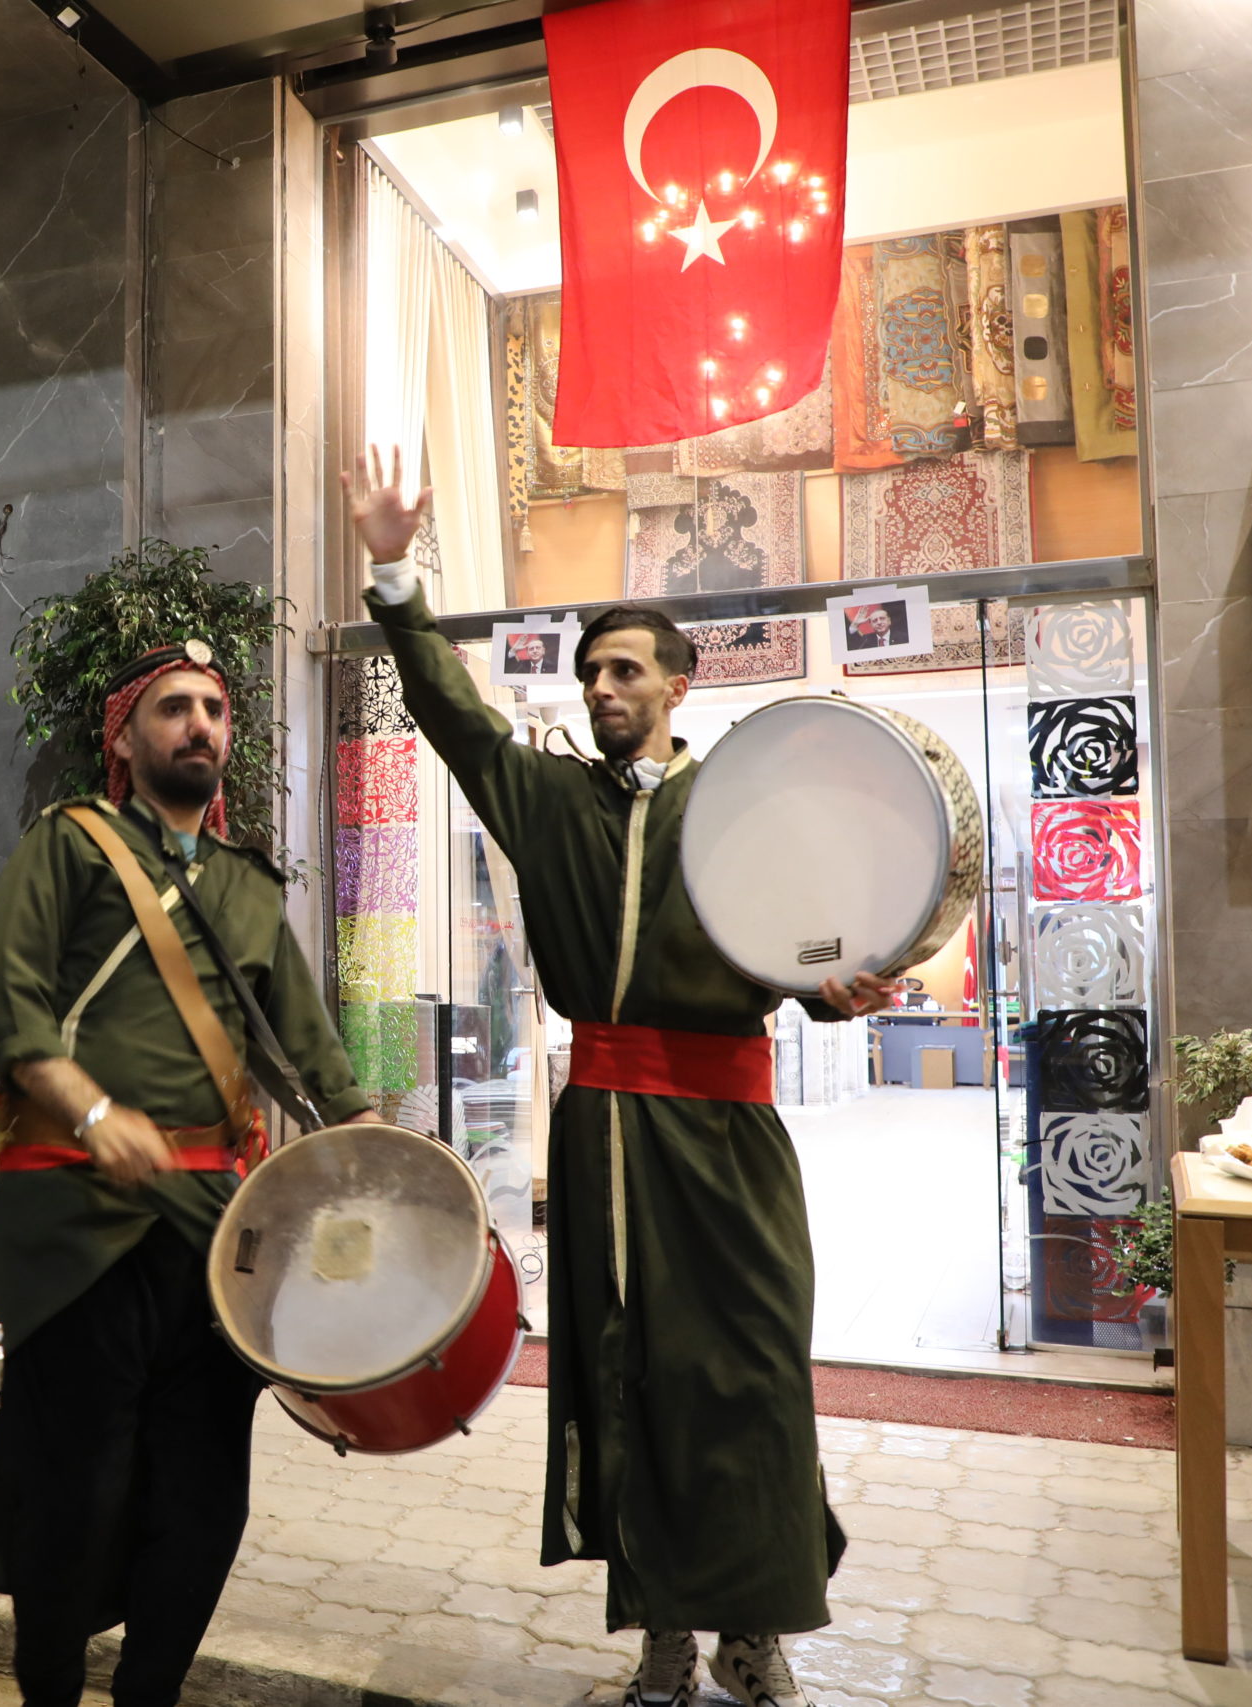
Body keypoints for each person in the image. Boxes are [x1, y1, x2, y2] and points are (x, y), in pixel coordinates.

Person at [342, 449, 894, 1707]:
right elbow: (454, 714)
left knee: (752, 1372)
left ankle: (756, 1628)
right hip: (602, 1136)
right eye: (590, 671)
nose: (601, 686)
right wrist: (393, 572)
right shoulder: (546, 803)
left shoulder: (739, 808)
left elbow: (803, 952)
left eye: (626, 669)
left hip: (731, 1141)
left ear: (678, 686)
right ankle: (662, 1636)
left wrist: (835, 988)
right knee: (629, 1369)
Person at [0, 638, 374, 1707]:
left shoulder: (246, 886)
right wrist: (92, 1111)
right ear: (126, 738)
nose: (201, 726)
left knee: (204, 1498)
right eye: (175, 707)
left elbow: (309, 1052)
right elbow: (2, 1001)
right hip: (75, 1217)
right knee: (74, 1494)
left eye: (215, 710)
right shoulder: (69, 846)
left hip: (215, 1230)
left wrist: (383, 1156)